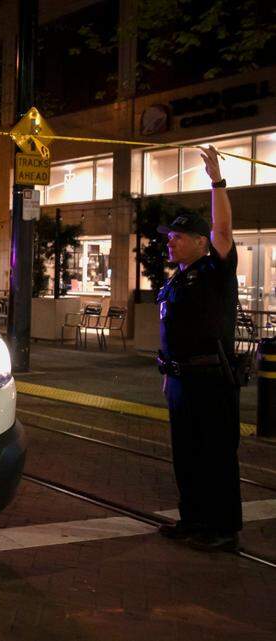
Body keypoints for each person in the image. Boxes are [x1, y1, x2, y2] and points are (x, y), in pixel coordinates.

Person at [155, 145, 242, 552]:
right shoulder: (178, 277)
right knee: (186, 455)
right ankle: (192, 518)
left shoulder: (215, 268)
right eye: (169, 237)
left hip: (211, 378)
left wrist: (217, 182)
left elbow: (223, 230)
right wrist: (168, 373)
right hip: (181, 378)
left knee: (216, 455)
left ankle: (221, 528)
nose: (169, 243)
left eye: (176, 238)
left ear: (198, 241)